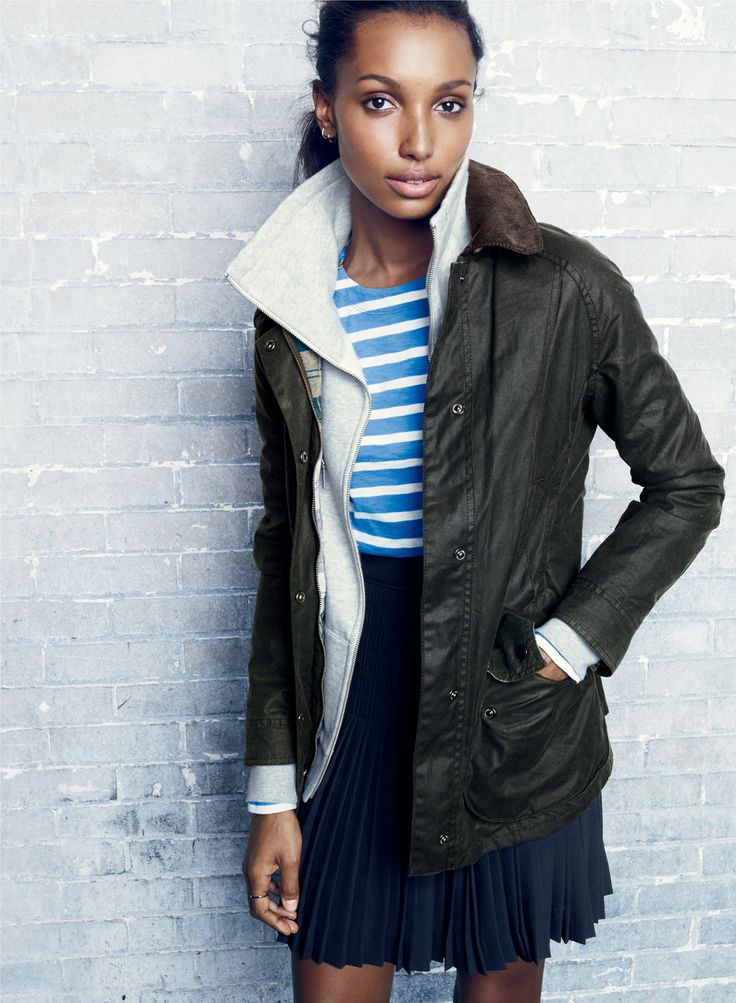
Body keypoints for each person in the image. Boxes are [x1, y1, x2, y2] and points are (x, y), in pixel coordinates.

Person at [224, 3, 725, 1001]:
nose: (419, 140)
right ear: (326, 109)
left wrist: (567, 643)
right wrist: (273, 793)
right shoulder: (293, 311)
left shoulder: (563, 286)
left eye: (449, 103)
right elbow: (288, 556)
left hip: (509, 710)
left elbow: (686, 481)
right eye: (381, 102)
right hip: (352, 695)